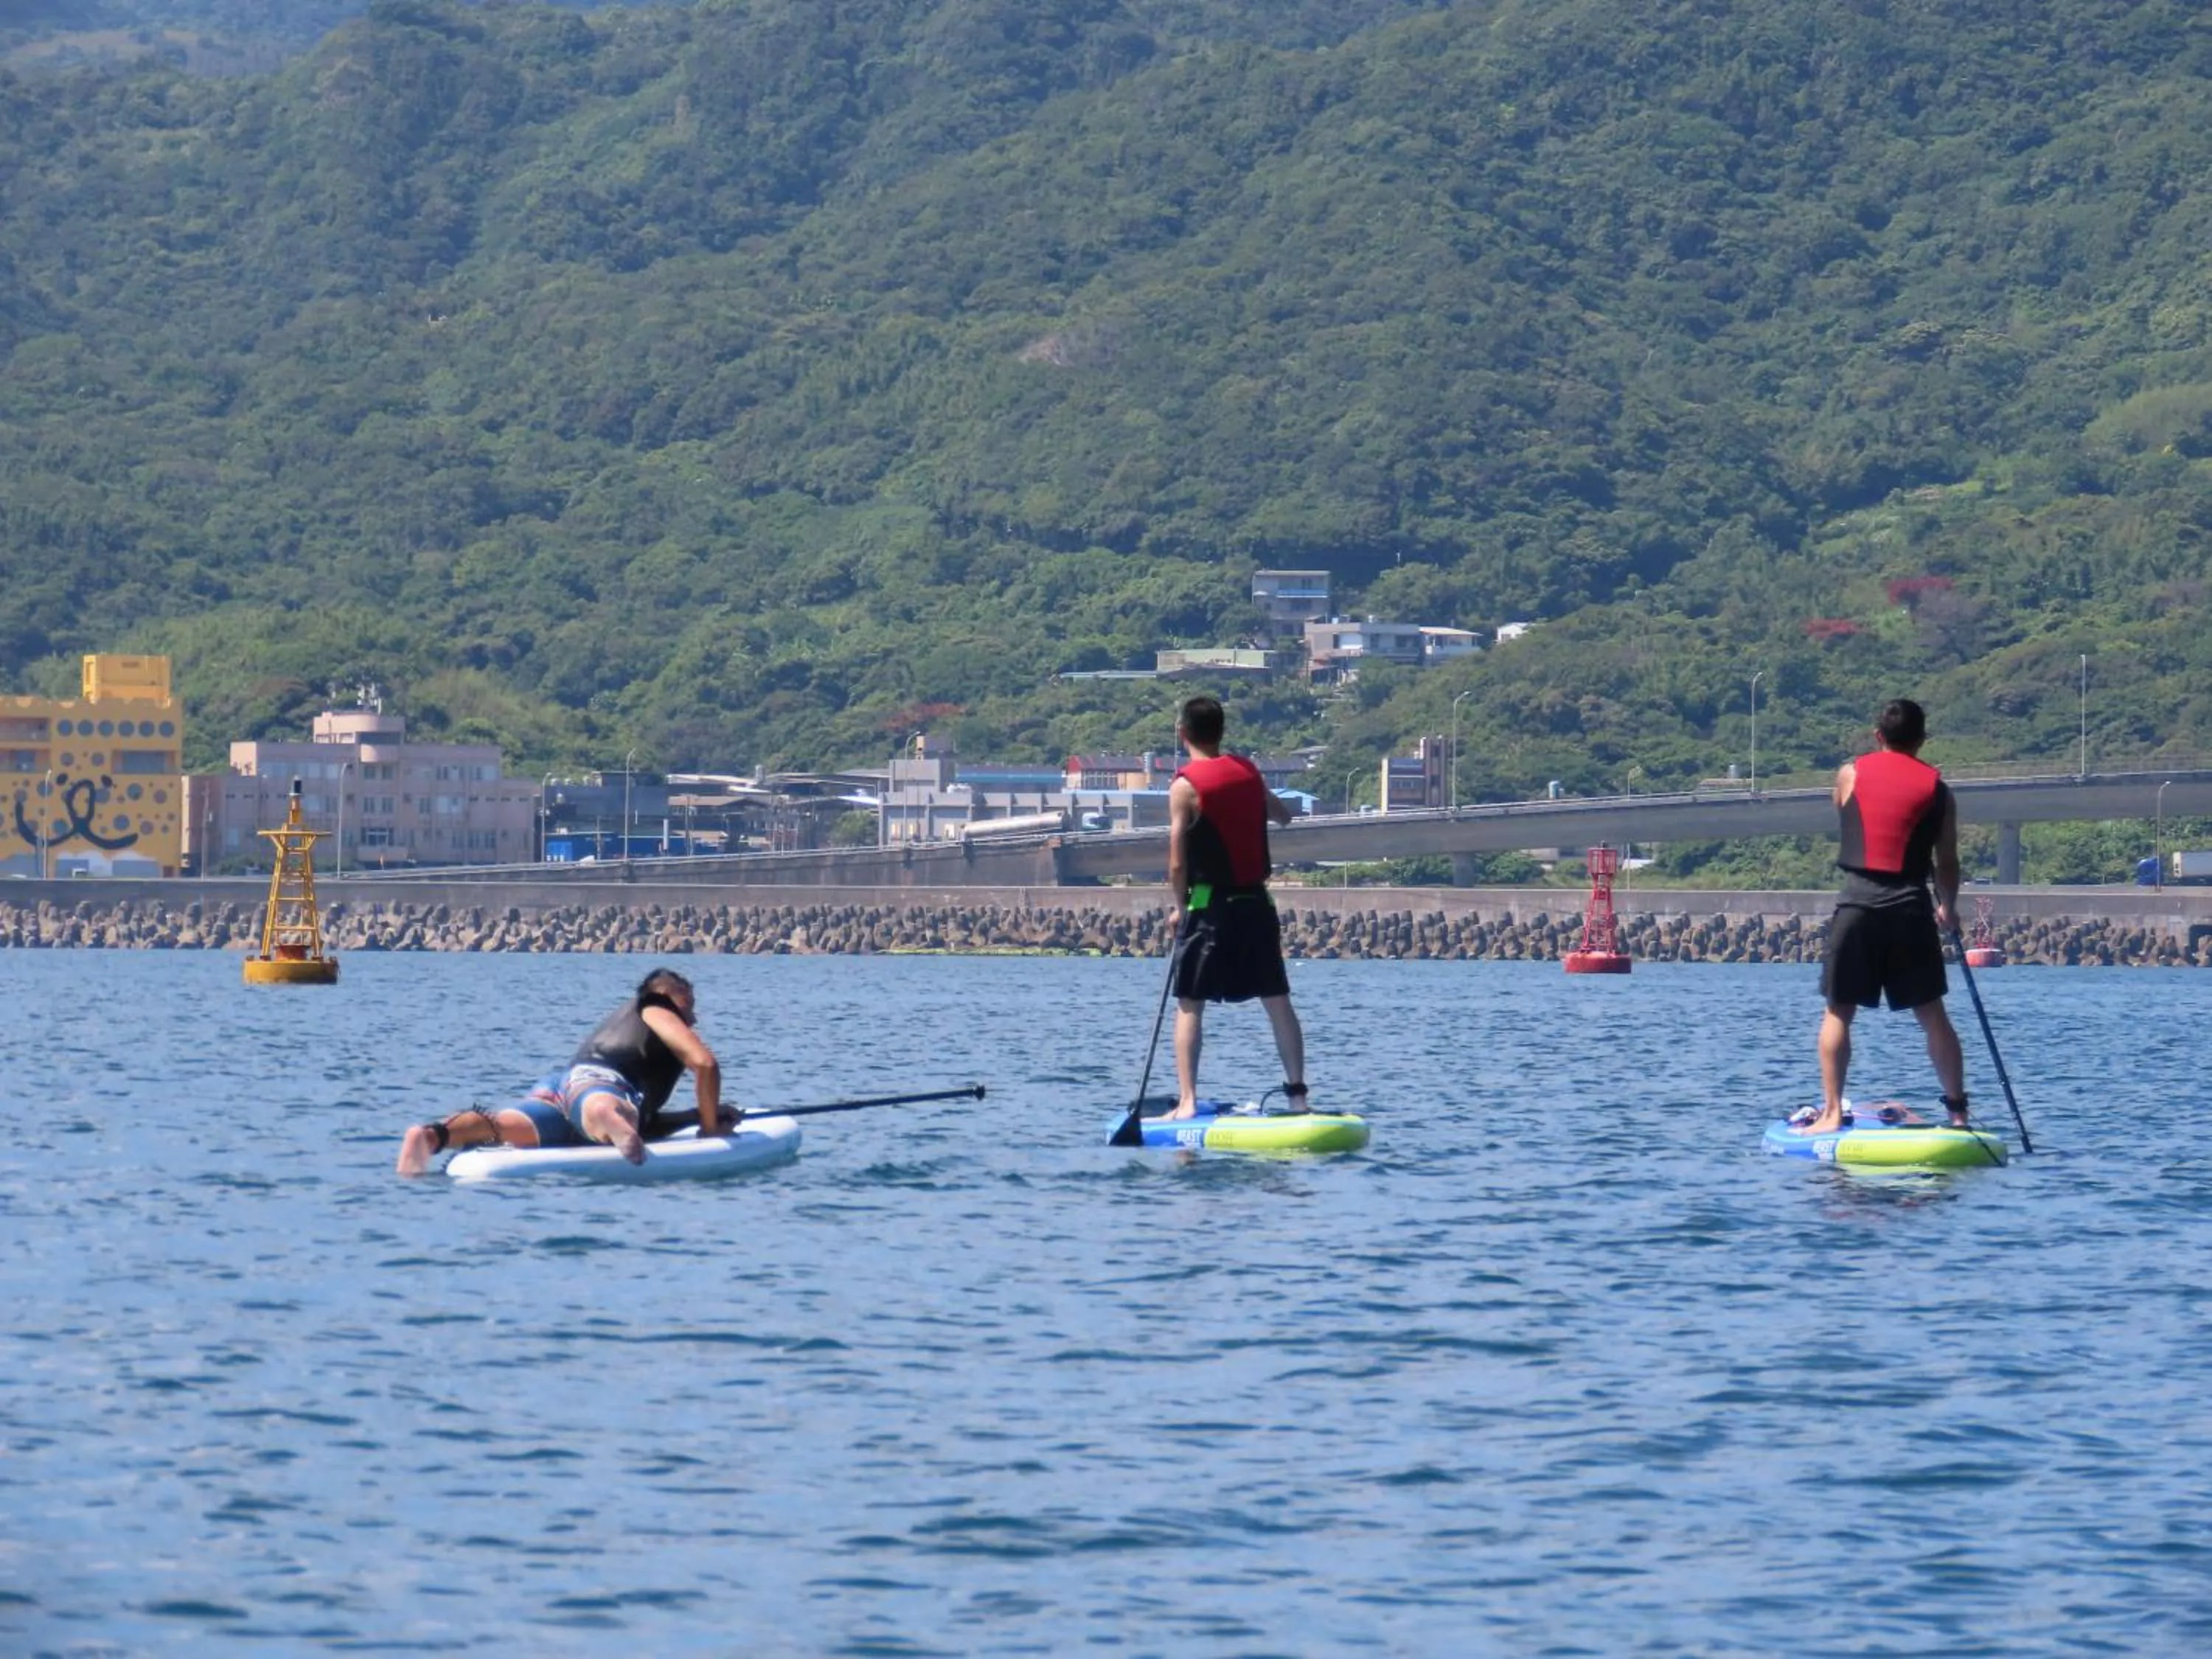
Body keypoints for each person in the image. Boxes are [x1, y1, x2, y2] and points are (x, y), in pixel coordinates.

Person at [1804, 698, 1969, 1135]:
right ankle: (1957, 1115)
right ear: (1922, 740)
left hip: (1857, 904)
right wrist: (1948, 907)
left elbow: (1846, 812)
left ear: (1879, 735)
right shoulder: (1939, 790)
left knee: (1839, 1010)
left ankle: (1833, 1112)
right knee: (1933, 1013)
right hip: (1911, 907)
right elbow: (1947, 860)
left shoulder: (1850, 773)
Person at [396, 967, 733, 1175]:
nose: (693, 1018)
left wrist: (698, 1116)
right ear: (665, 996)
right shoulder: (655, 1007)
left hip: (562, 1092)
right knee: (602, 1106)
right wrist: (710, 1130)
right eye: (688, 1005)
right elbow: (705, 1064)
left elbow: (648, 1124)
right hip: (599, 1087)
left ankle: (433, 1135)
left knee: (501, 1126)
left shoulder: (632, 1027)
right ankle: (609, 1117)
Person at [1164, 695, 1308, 1119]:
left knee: (1191, 1002)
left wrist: (1179, 908)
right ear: (1221, 732)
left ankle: (1187, 1102)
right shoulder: (1248, 771)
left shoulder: (1185, 785)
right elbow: (1282, 816)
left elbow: (1176, 861)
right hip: (1256, 903)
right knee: (1278, 1000)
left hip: (1208, 903)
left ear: (1182, 733)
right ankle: (1298, 1097)